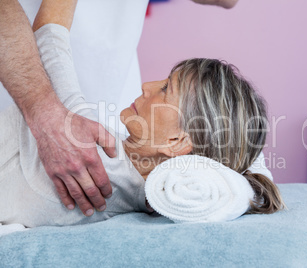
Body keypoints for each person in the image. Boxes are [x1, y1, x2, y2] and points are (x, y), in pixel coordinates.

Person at [0, 2, 285, 228]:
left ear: (176, 141)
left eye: (164, 88)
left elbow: (48, 39)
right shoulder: (136, 188)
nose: (146, 86)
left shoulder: (97, 158)